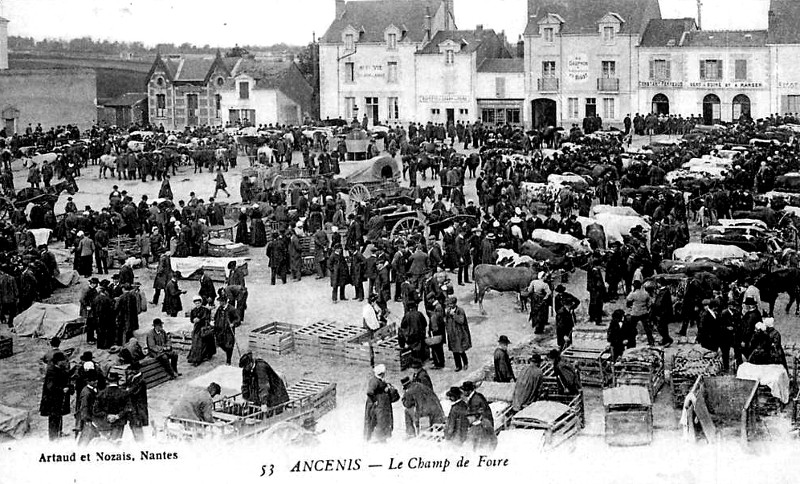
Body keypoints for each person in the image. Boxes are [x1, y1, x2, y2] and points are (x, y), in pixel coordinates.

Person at [39, 351, 73, 440]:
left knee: (59, 416)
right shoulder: (52, 372)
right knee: (53, 418)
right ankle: (53, 438)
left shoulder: (59, 370)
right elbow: (50, 387)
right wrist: (62, 389)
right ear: (58, 362)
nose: (65, 362)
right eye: (63, 361)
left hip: (58, 399)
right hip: (52, 400)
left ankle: (59, 432)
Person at [364, 364, 398, 443]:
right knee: (379, 421)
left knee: (380, 420)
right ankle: (379, 438)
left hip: (380, 404)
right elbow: (370, 392)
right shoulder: (375, 381)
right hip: (377, 405)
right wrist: (375, 400)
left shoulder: (379, 380)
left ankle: (378, 437)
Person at [462, 381, 496, 451]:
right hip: (485, 422)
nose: (463, 392)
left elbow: (474, 414)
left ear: (470, 390)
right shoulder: (476, 396)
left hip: (484, 424)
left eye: (465, 391)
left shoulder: (475, 400)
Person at [445, 296, 471, 372]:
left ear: (454, 303)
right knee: (454, 351)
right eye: (448, 304)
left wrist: (454, 315)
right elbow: (447, 321)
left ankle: (465, 363)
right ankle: (458, 366)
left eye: (451, 304)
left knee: (461, 350)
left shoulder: (460, 310)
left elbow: (461, 321)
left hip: (459, 334)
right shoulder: (448, 311)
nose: (449, 306)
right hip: (452, 334)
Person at [187, 295, 215, 366]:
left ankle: (199, 358)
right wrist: (193, 320)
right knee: (196, 342)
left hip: (203, 327)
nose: (197, 304)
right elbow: (191, 319)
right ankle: (194, 358)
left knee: (201, 342)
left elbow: (206, 317)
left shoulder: (205, 309)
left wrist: (199, 319)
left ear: (201, 303)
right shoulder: (193, 310)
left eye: (199, 303)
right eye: (196, 303)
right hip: (196, 328)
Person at [626, 280, 654, 346]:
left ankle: (632, 342)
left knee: (632, 328)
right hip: (644, 312)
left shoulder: (633, 294)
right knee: (647, 328)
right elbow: (650, 302)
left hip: (635, 312)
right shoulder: (645, 293)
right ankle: (651, 341)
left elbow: (628, 299)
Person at [214, 295, 239, 365]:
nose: (219, 303)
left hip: (228, 331)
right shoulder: (219, 308)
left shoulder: (232, 309)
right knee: (219, 343)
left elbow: (237, 319)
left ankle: (228, 361)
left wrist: (233, 323)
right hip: (220, 330)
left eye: (220, 302)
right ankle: (227, 351)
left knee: (229, 346)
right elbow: (216, 317)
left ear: (224, 302)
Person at [427, 299, 447, 369]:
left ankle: (438, 364)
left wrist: (431, 333)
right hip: (441, 334)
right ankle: (441, 362)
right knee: (440, 350)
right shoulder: (437, 314)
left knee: (435, 350)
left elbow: (434, 328)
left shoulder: (433, 317)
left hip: (436, 336)